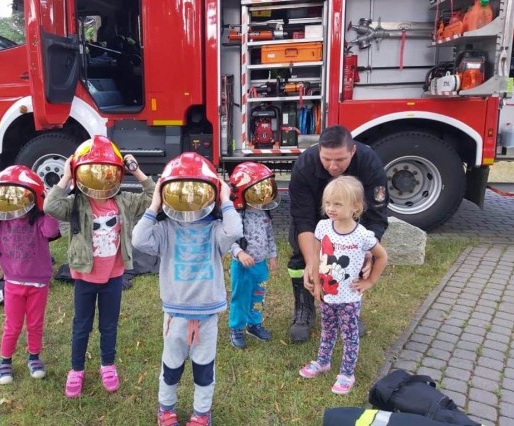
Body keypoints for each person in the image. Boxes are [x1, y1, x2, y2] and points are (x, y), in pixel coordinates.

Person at [132, 152, 243, 426]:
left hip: (206, 315)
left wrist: (225, 200)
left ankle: (201, 413)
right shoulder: (165, 230)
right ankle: (166, 409)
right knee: (171, 368)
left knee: (204, 370)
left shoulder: (215, 229)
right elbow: (138, 239)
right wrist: (155, 204)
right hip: (175, 316)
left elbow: (235, 231)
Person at [43, 135, 155, 398]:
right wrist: (66, 176)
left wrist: (136, 170)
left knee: (109, 325)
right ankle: (77, 370)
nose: (99, 178)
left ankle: (107, 365)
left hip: (113, 277)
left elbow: (152, 197)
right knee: (81, 325)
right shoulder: (77, 203)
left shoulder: (124, 202)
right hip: (84, 276)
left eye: (106, 172)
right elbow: (50, 205)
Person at [288, 124, 388, 343]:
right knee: (300, 259)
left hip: (351, 221)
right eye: (326, 159)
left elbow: (377, 217)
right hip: (315, 220)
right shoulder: (304, 165)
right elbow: (302, 220)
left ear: (352, 151)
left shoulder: (370, 162)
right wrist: (312, 263)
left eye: (340, 160)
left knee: (354, 261)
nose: (333, 166)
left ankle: (348, 310)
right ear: (318, 151)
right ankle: (304, 309)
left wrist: (367, 254)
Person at [0, 165, 60, 385]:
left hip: (38, 283)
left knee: (35, 324)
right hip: (13, 283)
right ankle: (5, 361)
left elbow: (52, 231)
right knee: (13, 325)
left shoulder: (38, 220)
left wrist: (45, 202)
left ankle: (34, 357)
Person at [298, 175, 388, 394]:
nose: (331, 208)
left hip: (348, 298)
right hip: (327, 293)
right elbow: (318, 256)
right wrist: (317, 285)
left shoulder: (363, 235)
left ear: (356, 207)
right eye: (328, 203)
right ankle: (323, 361)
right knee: (327, 330)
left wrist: (370, 281)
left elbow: (382, 257)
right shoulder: (322, 227)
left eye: (338, 204)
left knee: (350, 336)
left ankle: (347, 373)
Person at [227, 162, 279, 349]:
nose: (263, 196)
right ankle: (237, 328)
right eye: (258, 191)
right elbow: (228, 238)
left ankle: (253, 323)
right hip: (242, 267)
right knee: (241, 297)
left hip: (260, 265)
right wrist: (240, 253)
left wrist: (272, 255)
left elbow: (269, 235)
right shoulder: (236, 215)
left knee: (257, 296)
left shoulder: (263, 211)